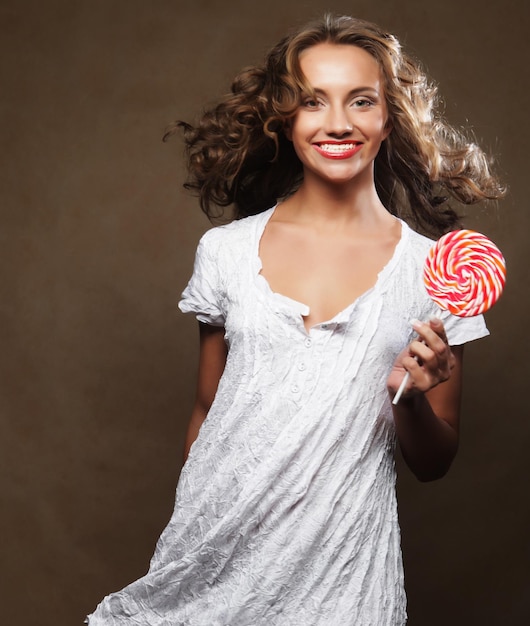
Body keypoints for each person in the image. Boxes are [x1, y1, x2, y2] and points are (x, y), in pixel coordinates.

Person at [86, 14, 504, 626]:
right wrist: (199, 542)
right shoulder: (226, 253)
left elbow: (435, 461)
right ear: (286, 119)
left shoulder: (434, 273)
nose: (338, 123)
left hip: (346, 572)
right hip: (217, 558)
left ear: (390, 118)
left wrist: (410, 397)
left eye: (361, 101)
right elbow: (207, 411)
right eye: (313, 102)